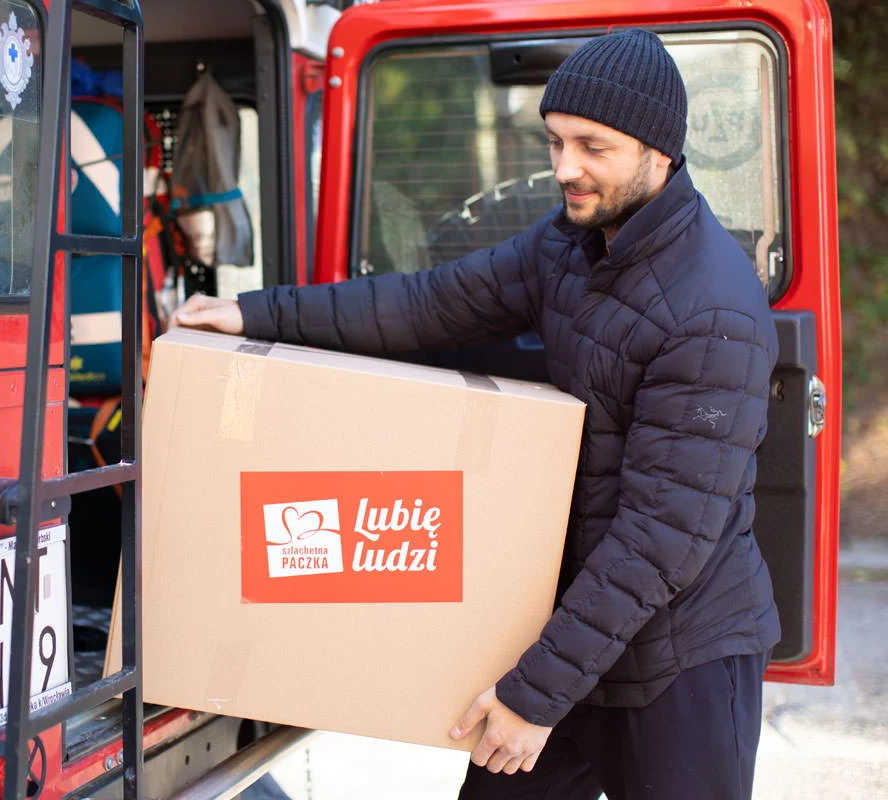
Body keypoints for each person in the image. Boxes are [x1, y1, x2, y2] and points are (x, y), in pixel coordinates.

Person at [173, 28, 779, 800]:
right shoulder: (567, 243)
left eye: (593, 147)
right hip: (573, 629)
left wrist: (533, 695)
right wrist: (256, 314)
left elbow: (659, 541)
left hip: (680, 657)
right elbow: (429, 304)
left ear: (660, 153)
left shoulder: (712, 308)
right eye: (555, 141)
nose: (565, 169)